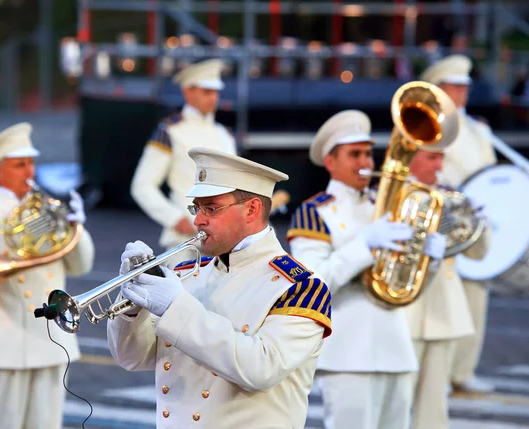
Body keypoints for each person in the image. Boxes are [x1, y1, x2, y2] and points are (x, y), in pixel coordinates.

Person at [108, 147, 332, 428]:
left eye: (212, 208)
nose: (198, 220)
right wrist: (133, 306)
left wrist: (175, 307)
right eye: (197, 208)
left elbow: (260, 369)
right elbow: (132, 358)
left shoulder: (300, 287)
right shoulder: (185, 276)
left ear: (252, 209)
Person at [286, 110, 446, 429]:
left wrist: (430, 259)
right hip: (347, 351)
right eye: (354, 154)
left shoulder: (387, 207)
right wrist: (365, 246)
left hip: (396, 347)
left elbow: (405, 286)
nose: (365, 161)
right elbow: (312, 285)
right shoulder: (314, 212)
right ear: (330, 161)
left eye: (368, 153)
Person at [0, 123, 95, 429]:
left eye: (31, 163)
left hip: (51, 340)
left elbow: (81, 266)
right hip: (2, 341)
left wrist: (77, 229)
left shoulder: (48, 212)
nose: (29, 171)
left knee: (47, 424)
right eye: (19, 165)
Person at [420, 54, 498, 394]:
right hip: (443, 214)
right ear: (438, 88)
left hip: (476, 217)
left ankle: (463, 369)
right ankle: (439, 371)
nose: (461, 92)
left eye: (464, 87)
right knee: (439, 291)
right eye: (454, 86)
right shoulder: (427, 122)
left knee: (476, 293)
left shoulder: (478, 129)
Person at [405, 148, 490, 429]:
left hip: (444, 311)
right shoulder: (394, 193)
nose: (439, 164)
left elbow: (478, 254)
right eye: (431, 157)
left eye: (441, 157)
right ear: (411, 158)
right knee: (396, 402)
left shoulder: (450, 196)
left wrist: (478, 223)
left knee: (434, 410)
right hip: (406, 311)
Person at [130, 59, 237, 261]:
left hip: (227, 238)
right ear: (188, 92)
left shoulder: (225, 135)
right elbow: (142, 185)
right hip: (186, 241)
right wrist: (175, 219)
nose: (213, 98)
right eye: (206, 92)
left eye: (215, 92)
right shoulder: (170, 131)